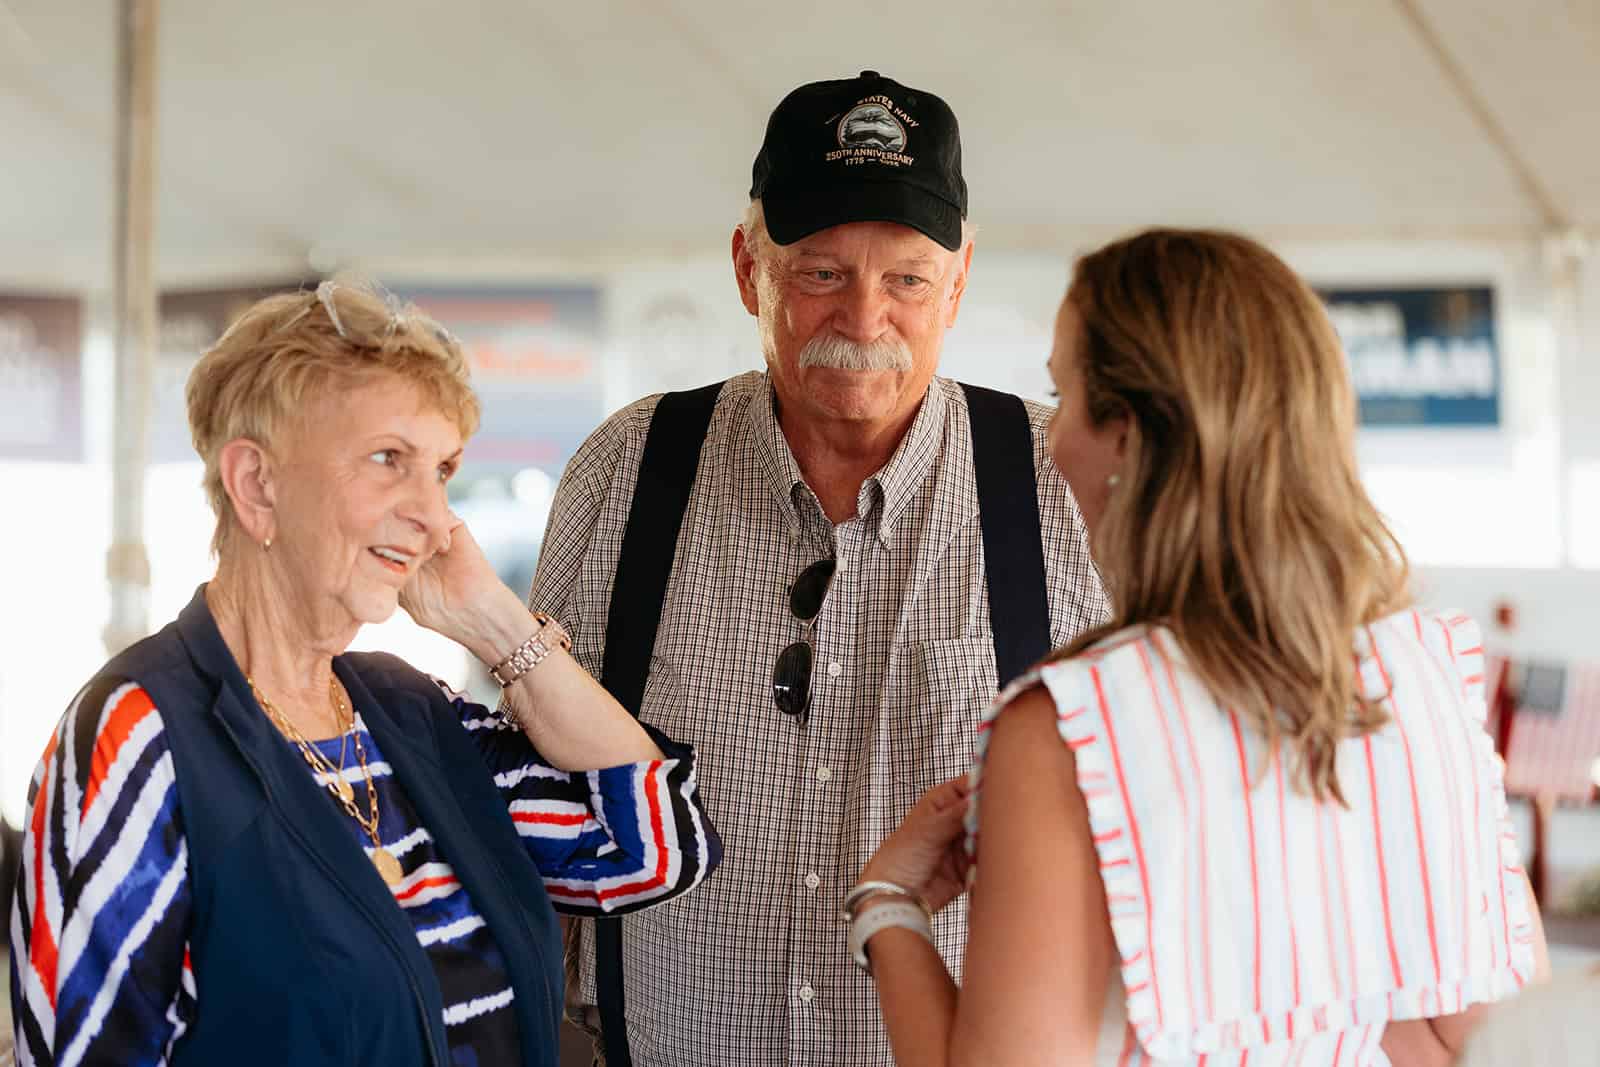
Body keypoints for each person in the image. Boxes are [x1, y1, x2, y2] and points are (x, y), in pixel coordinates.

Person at [853, 228, 1550, 1065]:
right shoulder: (1425, 675)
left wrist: (888, 903)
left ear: (1128, 434)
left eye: (1063, 393)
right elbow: (1477, 1040)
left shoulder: (1073, 730)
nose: (1052, 435)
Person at [533, 71, 1109, 1065]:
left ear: (960, 282)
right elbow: (536, 792)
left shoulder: (1067, 482)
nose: (865, 315)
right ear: (747, 269)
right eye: (822, 273)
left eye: (908, 280)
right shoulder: (629, 466)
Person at [7, 282, 722, 1067]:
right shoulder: (139, 737)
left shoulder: (411, 711)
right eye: (389, 459)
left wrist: (493, 620)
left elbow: (656, 844)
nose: (436, 516)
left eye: (442, 470)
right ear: (257, 484)